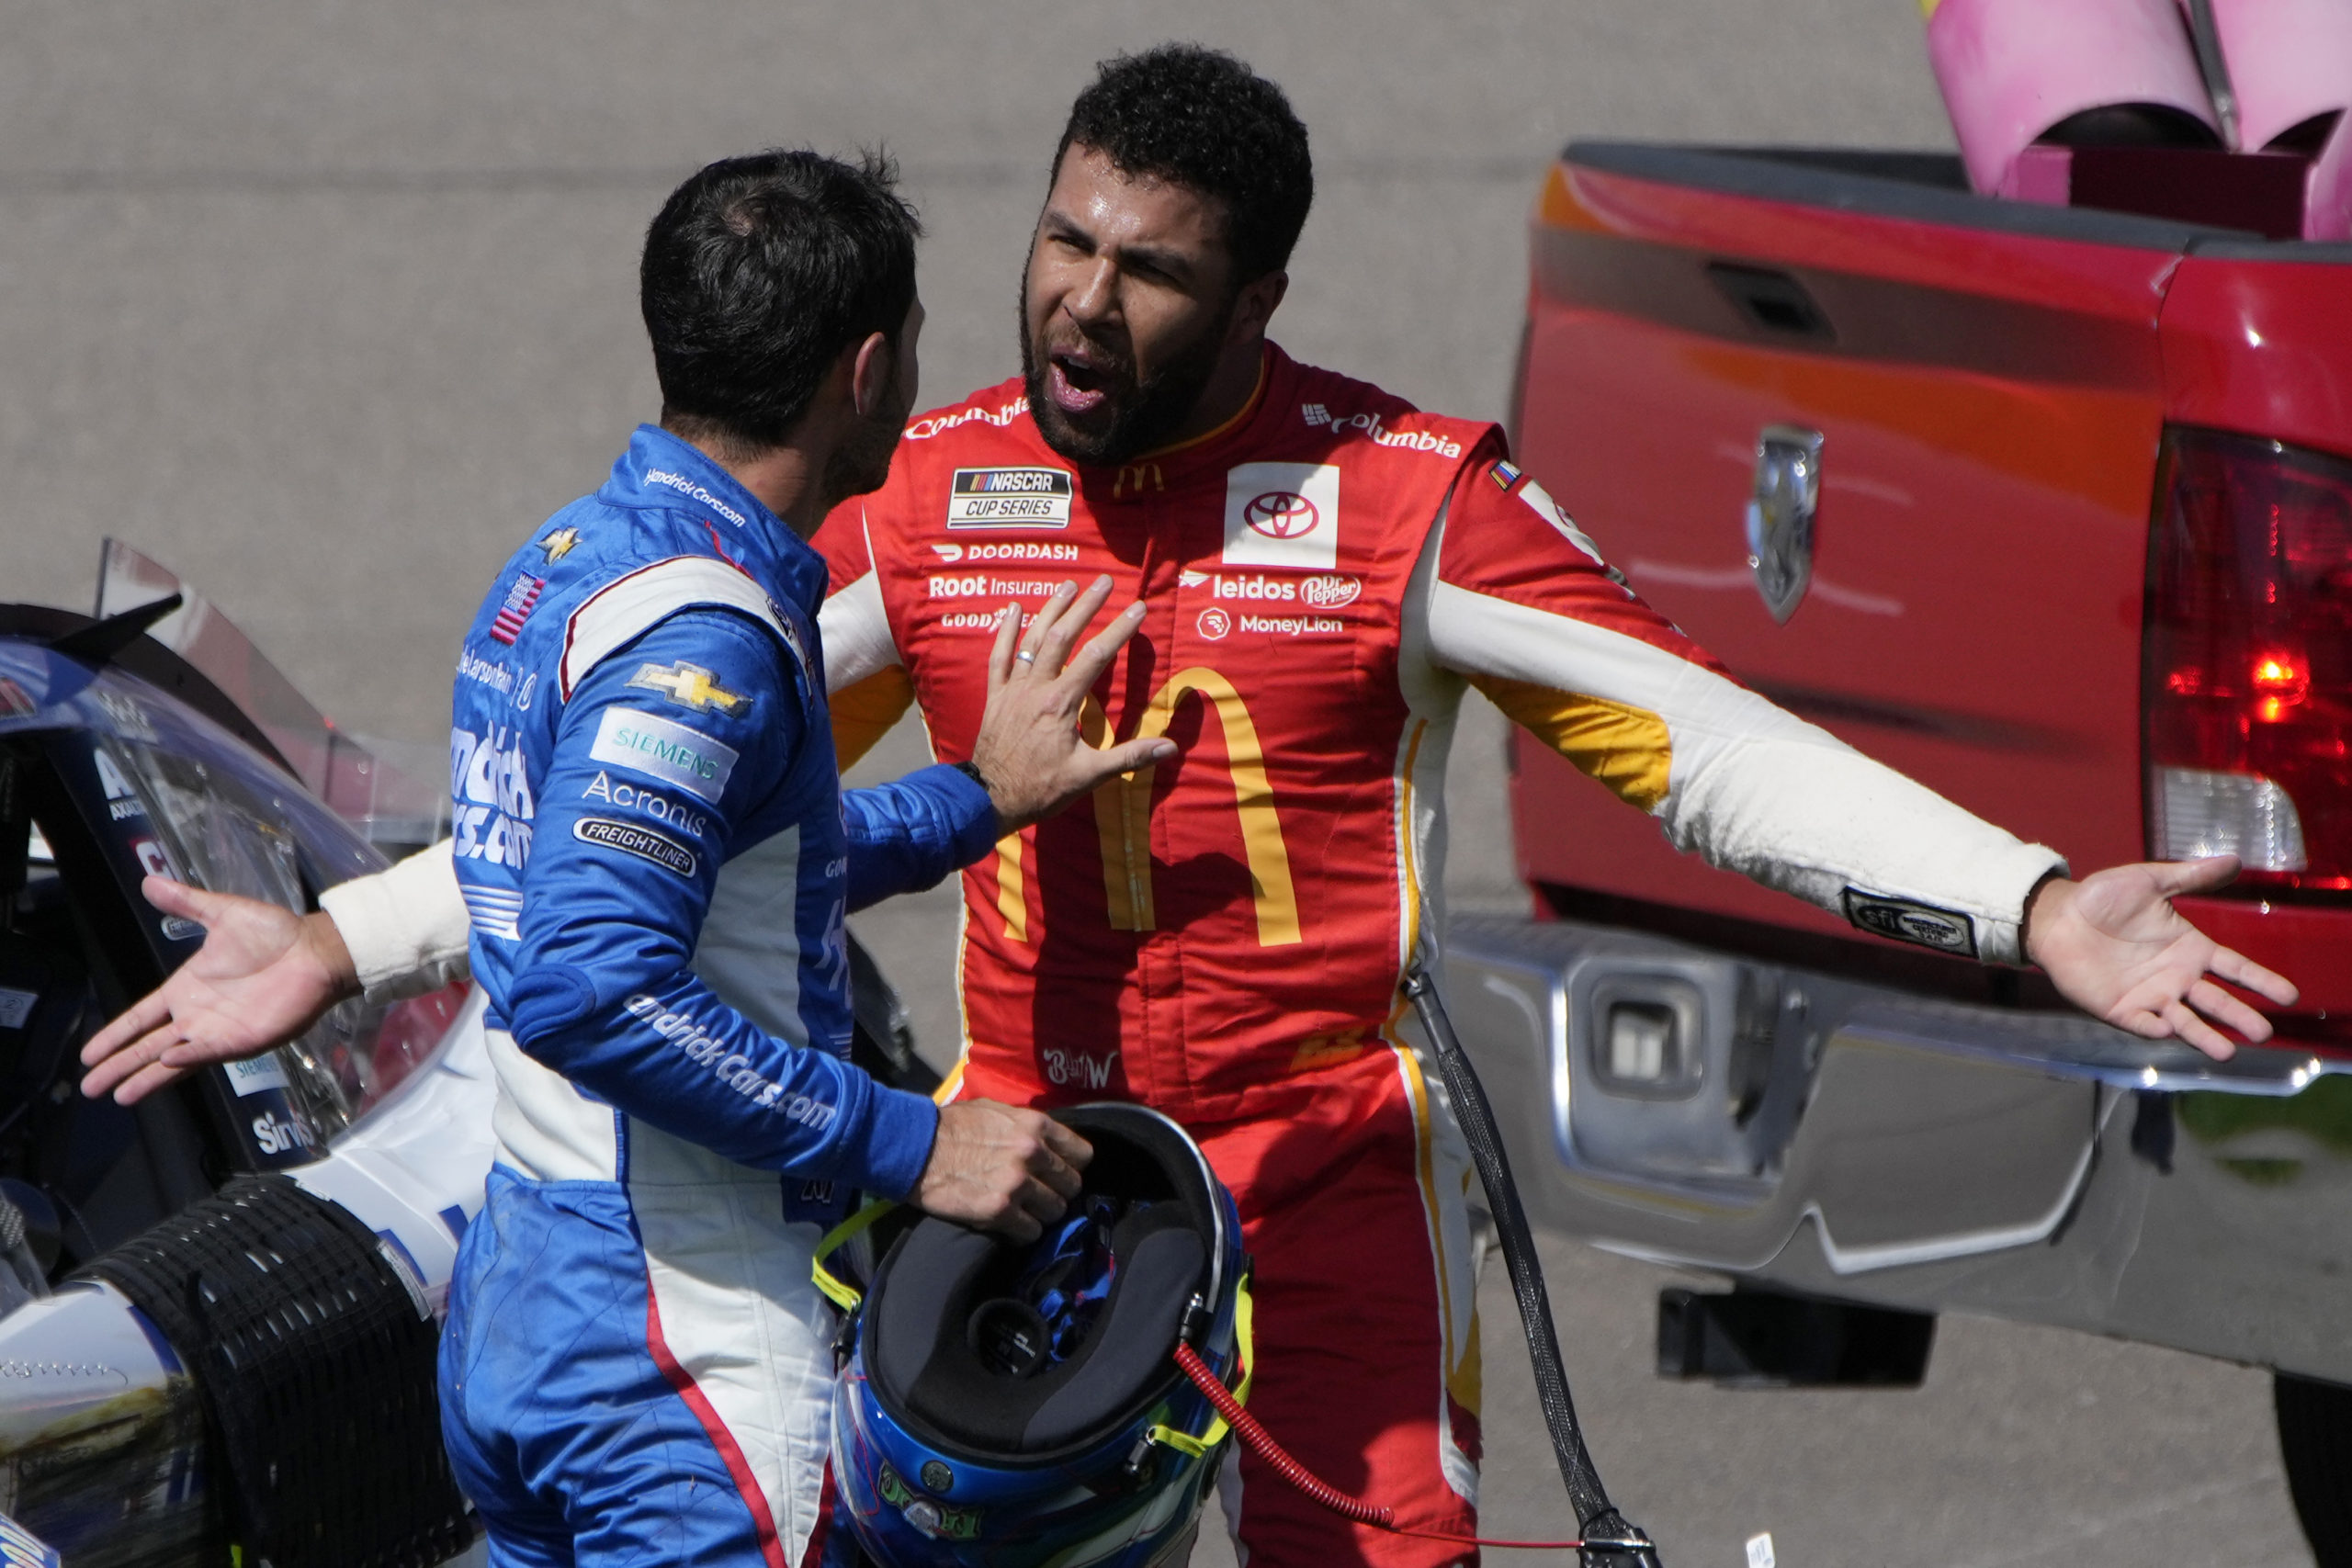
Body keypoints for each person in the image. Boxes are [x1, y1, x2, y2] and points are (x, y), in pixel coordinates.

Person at [86, 51, 2297, 1568]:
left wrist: (2026, 907)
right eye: (1061, 239)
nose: (1080, 298)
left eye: (1147, 269)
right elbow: (666, 832)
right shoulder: (935, 491)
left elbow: (1698, 744)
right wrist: (351, 937)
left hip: (1326, 1161)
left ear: (1254, 295)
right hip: (1025, 1172)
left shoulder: (1405, 495)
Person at [104, 147, 1178, 1568]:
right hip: (680, 1362)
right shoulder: (705, 637)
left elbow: (718, 870)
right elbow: (593, 987)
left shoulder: (574, 554)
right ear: (867, 374)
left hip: (526, 1323)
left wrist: (973, 799)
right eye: (916, 343)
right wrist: (917, 1141)